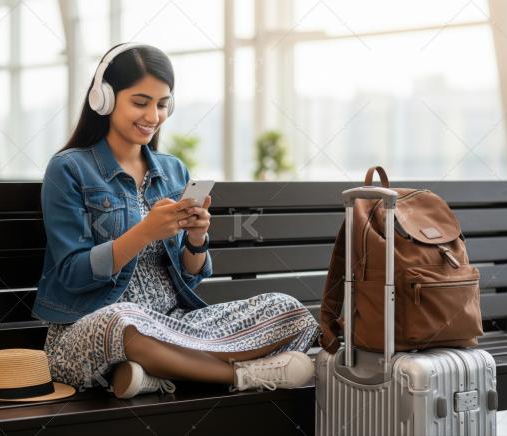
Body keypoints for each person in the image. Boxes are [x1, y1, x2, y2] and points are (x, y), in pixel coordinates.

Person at [31, 43, 320, 398]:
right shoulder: (69, 169)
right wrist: (143, 233)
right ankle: (240, 376)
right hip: (91, 328)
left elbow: (190, 277)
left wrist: (197, 239)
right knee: (124, 321)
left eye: (162, 104)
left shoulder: (172, 171)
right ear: (103, 100)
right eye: (140, 102)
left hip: (173, 325)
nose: (153, 115)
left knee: (289, 312)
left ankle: (154, 373)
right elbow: (72, 274)